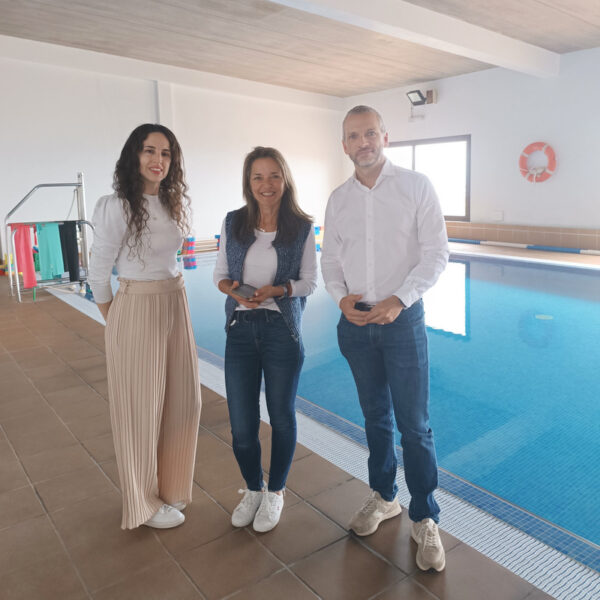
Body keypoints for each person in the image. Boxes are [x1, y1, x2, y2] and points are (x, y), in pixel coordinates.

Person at [321, 106, 449, 571]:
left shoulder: (416, 186)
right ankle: (384, 496)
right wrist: (339, 298)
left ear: (385, 137)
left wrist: (399, 299)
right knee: (375, 418)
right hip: (356, 325)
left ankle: (425, 516)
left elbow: (437, 253)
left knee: (414, 425)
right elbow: (329, 259)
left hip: (402, 322)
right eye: (354, 136)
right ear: (345, 145)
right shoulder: (339, 199)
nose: (364, 142)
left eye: (370, 133)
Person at [88, 124, 201, 530]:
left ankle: (171, 486)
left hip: (175, 303)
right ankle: (143, 503)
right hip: (137, 305)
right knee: (140, 411)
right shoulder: (117, 206)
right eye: (149, 150)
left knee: (184, 402)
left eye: (166, 153)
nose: (158, 160)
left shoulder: (171, 203)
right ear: (134, 155)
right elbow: (97, 273)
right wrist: (117, 320)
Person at [213, 146, 317, 532]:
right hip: (240, 330)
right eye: (257, 176)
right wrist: (235, 290)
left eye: (274, 175)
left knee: (281, 417)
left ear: (284, 179)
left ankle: (276, 492)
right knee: (242, 427)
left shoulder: (301, 227)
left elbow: (310, 282)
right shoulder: (234, 222)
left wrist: (278, 290)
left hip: (281, 331)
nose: (266, 184)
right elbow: (220, 274)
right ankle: (253, 488)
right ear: (248, 182)